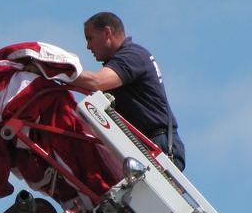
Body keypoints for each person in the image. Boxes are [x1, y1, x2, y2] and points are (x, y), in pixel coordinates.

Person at [73, 12, 186, 171]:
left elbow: (96, 82)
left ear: (107, 32)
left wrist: (56, 70)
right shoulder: (127, 58)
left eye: (89, 38)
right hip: (147, 144)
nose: (88, 46)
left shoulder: (132, 56)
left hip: (157, 145)